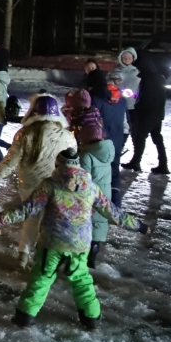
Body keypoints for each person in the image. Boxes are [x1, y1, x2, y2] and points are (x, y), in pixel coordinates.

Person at [0, 148, 148, 330]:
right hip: (79, 245)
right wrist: (140, 226)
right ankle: (92, 319)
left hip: (52, 244)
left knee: (42, 279)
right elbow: (113, 213)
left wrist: (0, 218)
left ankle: (25, 318)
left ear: (58, 164)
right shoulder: (90, 187)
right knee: (82, 281)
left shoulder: (50, 185)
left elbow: (27, 209)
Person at [0, 94, 77, 269]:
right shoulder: (67, 136)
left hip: (30, 185)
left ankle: (23, 255)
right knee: (51, 221)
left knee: (31, 218)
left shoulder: (25, 134)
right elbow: (73, 164)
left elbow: (10, 161)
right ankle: (47, 259)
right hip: (56, 185)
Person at [63, 91, 115, 269]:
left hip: (88, 195)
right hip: (103, 192)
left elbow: (81, 179)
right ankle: (94, 249)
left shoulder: (86, 155)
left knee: (84, 221)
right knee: (99, 219)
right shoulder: (104, 151)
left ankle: (78, 257)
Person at [87, 69, 126, 206]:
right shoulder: (121, 99)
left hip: (99, 141)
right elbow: (126, 122)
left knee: (98, 174)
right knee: (114, 173)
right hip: (117, 140)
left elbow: (90, 121)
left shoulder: (94, 98)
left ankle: (98, 205)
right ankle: (116, 205)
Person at [124, 58, 168, 174]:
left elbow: (146, 98)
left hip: (148, 114)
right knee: (157, 138)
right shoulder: (160, 77)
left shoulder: (149, 79)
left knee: (140, 137)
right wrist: (136, 96)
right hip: (158, 114)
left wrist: (137, 106)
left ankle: (136, 162)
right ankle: (163, 164)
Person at [112, 48, 140, 155]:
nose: (127, 59)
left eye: (129, 57)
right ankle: (119, 145)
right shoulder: (115, 70)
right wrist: (114, 81)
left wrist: (137, 96)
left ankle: (134, 150)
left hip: (133, 104)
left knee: (132, 128)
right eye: (125, 57)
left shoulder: (137, 71)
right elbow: (107, 82)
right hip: (118, 103)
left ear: (133, 58)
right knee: (121, 126)